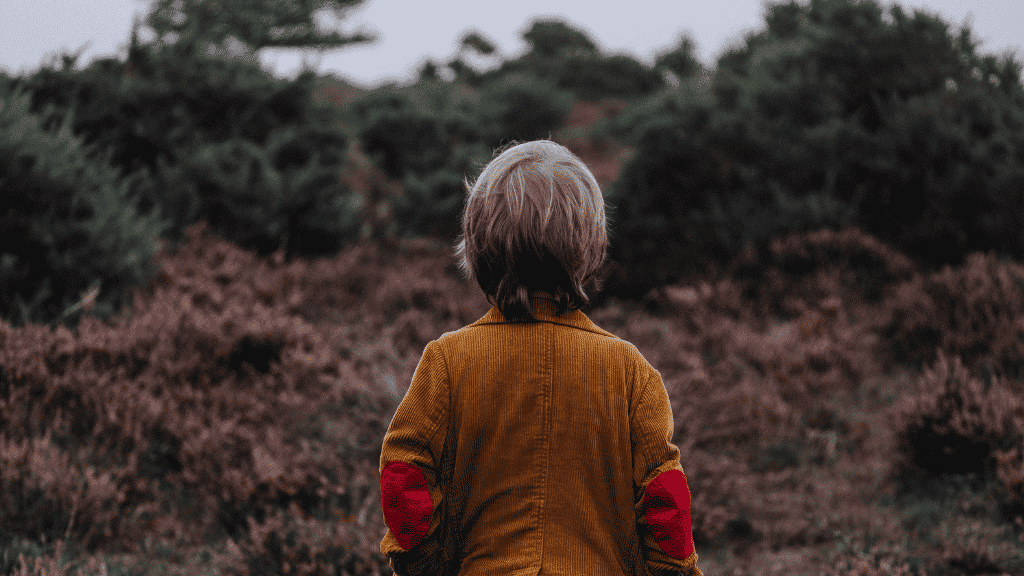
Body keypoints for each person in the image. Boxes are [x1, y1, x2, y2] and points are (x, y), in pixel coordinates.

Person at [378, 139, 702, 576]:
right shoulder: (631, 372)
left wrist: (429, 567)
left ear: (477, 246)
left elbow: (405, 475)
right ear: (591, 246)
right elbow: (665, 502)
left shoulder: (447, 361)